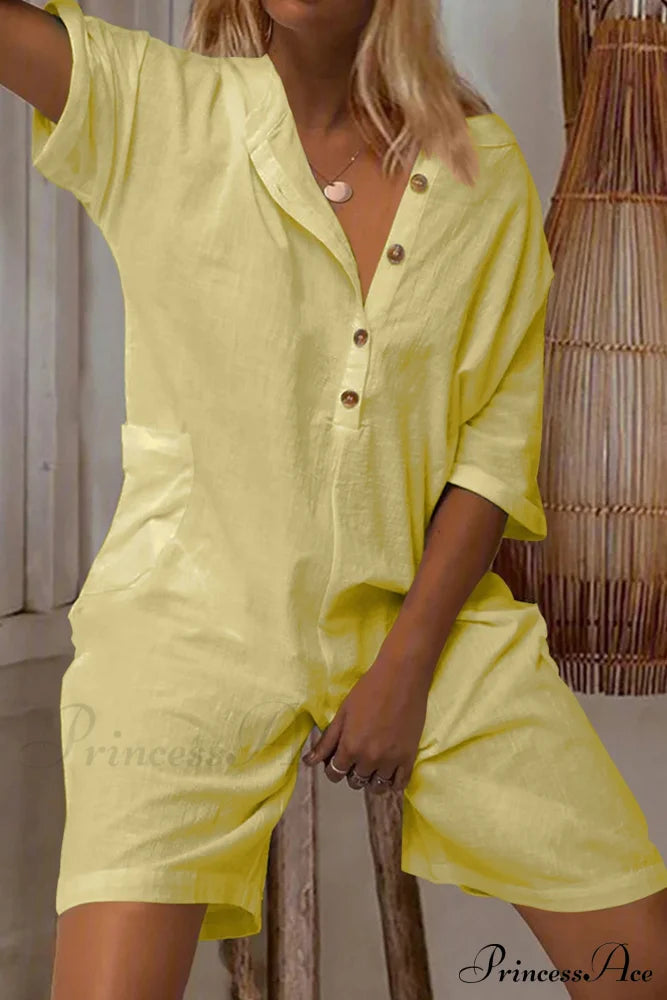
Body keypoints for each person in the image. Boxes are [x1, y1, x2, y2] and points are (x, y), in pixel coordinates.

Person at [3, 0, 667, 996]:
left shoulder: (480, 171)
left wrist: (406, 668)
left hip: (425, 621)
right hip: (185, 634)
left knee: (641, 954)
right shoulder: (158, 110)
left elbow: (491, 453)